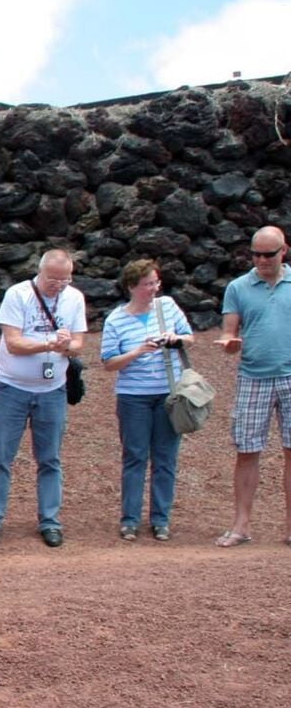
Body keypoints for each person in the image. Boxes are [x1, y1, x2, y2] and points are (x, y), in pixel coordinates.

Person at [0, 249, 86, 547]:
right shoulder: (18, 295)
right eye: (53, 279)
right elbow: (13, 343)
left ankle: (50, 520)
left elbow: (79, 342)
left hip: (52, 389)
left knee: (50, 458)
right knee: (1, 455)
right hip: (12, 387)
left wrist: (68, 347)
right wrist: (49, 345)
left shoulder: (74, 298)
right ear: (40, 272)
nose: (59, 285)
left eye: (65, 279)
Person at [100, 259, 193, 542]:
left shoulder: (168, 307)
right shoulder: (116, 320)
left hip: (168, 393)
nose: (153, 289)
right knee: (135, 456)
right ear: (132, 287)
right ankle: (130, 519)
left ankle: (160, 519)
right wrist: (138, 351)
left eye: (155, 283)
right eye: (147, 284)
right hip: (133, 398)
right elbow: (109, 362)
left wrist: (175, 339)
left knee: (165, 458)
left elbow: (190, 338)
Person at [212, 226, 291, 548]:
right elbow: (229, 330)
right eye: (255, 254)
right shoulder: (238, 287)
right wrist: (230, 344)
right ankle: (241, 524)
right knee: (247, 451)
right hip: (253, 376)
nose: (260, 260)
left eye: (267, 254)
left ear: (283, 251)